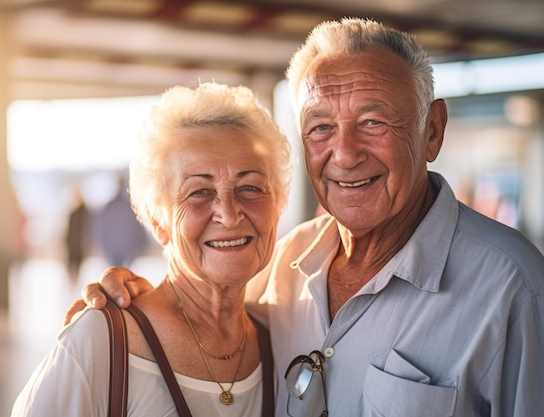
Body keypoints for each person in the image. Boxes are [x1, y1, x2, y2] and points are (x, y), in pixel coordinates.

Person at [71, 18, 544, 416]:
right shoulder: (287, 261)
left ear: (432, 131)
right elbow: (207, 312)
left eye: (373, 122)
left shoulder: (512, 288)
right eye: (321, 128)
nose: (345, 154)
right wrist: (132, 299)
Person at [11, 82, 292, 417]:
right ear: (158, 222)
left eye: (250, 187)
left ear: (277, 206)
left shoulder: (284, 340)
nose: (230, 214)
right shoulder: (102, 341)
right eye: (199, 192)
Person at [98, 174, 148, 268]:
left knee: (116, 274)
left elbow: (102, 228)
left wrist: (103, 245)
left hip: (115, 248)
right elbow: (138, 225)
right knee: (123, 275)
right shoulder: (129, 206)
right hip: (126, 248)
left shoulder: (110, 206)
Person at [65, 187, 91, 283]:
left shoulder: (85, 212)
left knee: (80, 266)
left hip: (80, 245)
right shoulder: (73, 213)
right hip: (72, 244)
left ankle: (77, 283)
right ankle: (73, 283)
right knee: (72, 266)